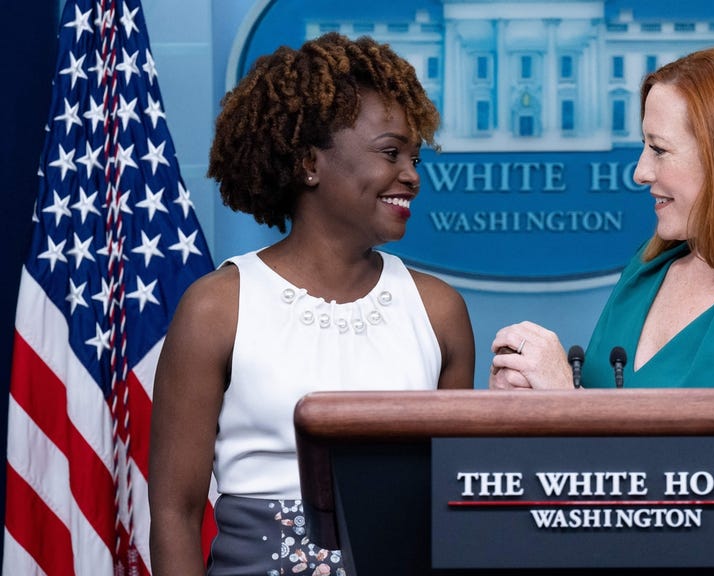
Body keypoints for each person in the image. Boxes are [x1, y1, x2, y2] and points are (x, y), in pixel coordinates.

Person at [149, 33, 474, 576]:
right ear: (308, 163)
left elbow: (451, 510)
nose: (413, 174)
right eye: (390, 152)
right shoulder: (217, 307)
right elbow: (174, 512)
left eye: (415, 156)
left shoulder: (439, 311)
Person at [490, 44, 714, 390]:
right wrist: (533, 399)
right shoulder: (648, 269)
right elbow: (603, 423)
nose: (640, 172)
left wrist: (564, 399)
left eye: (659, 149)